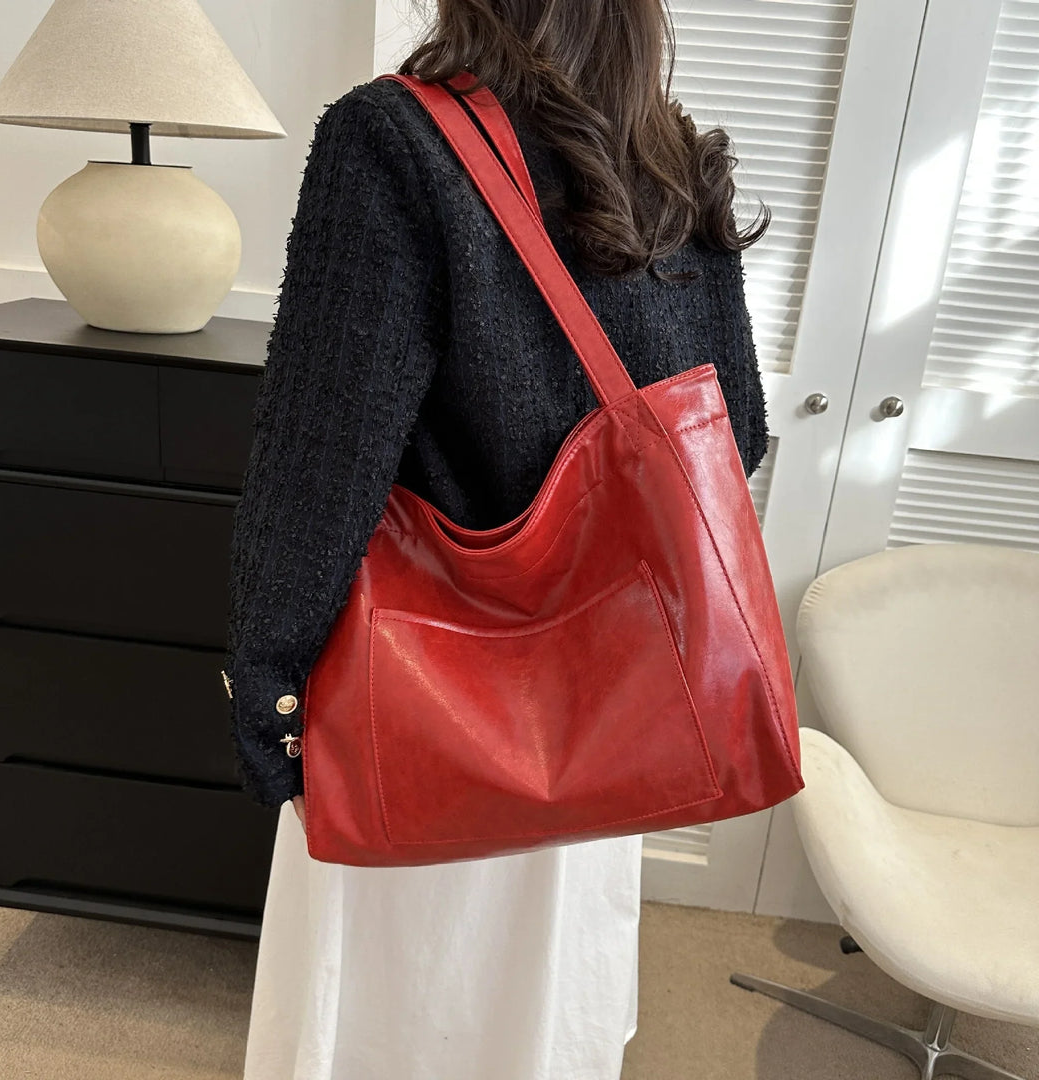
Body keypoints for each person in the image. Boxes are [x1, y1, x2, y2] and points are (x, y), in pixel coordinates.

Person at [222, 2, 771, 1077]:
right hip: (614, 719)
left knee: (391, 1023)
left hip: (424, 708)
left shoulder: (391, 140)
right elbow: (733, 432)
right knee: (540, 1023)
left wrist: (268, 684)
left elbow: (321, 463)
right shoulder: (664, 155)